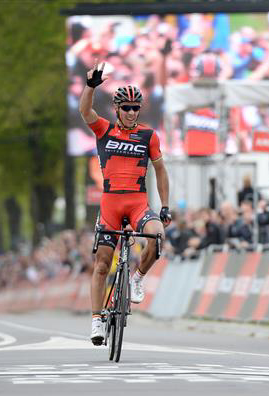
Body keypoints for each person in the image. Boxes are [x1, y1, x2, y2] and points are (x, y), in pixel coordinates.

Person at [79, 61, 172, 346]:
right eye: (126, 108)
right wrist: (90, 86)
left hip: (137, 204)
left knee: (157, 236)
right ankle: (97, 319)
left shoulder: (148, 136)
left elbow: (160, 170)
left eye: (135, 108)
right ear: (117, 109)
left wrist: (165, 206)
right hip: (109, 204)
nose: (131, 112)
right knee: (102, 263)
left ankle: (137, 278)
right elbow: (85, 111)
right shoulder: (104, 130)